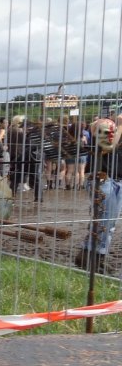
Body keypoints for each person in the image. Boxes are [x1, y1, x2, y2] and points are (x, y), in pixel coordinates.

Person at [73, 116, 122, 274]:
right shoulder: (101, 132)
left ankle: (89, 256)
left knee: (108, 223)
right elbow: (109, 146)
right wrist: (120, 125)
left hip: (116, 182)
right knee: (104, 222)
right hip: (103, 180)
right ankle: (94, 258)